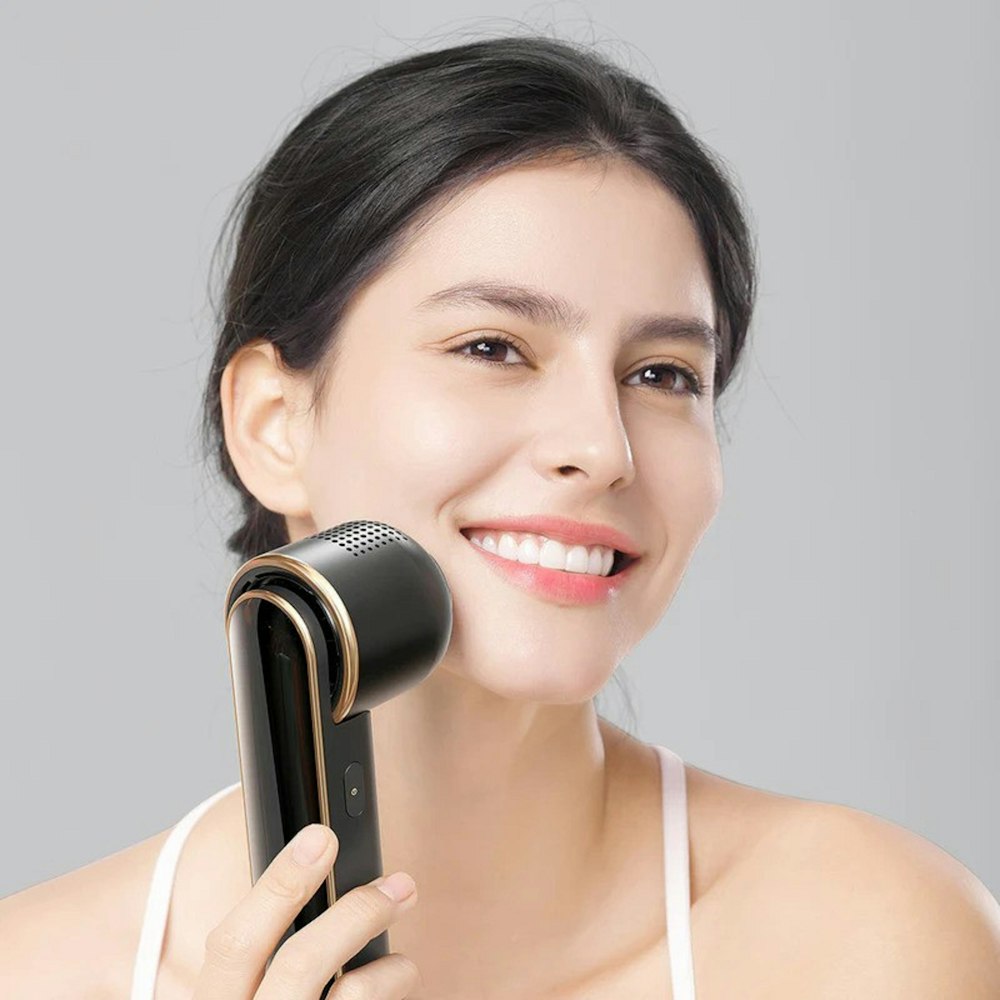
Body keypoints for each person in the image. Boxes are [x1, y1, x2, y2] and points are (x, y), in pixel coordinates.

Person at [2, 32, 998, 1000]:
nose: (602, 448)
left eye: (661, 373)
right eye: (492, 347)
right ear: (272, 423)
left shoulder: (869, 940)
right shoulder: (37, 972)